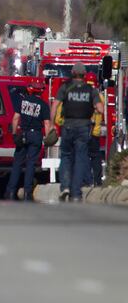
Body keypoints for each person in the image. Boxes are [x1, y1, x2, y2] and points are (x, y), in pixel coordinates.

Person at [51, 62, 103, 202]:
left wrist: (51, 124)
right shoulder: (91, 90)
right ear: (84, 75)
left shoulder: (65, 87)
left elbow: (55, 105)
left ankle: (65, 187)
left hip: (68, 126)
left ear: (72, 73)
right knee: (81, 159)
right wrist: (94, 109)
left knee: (66, 157)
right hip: (84, 127)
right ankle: (76, 192)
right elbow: (101, 109)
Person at [5, 81, 50, 201]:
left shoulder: (22, 101)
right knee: (31, 164)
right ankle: (27, 192)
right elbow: (46, 123)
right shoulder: (43, 105)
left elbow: (15, 118)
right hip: (36, 134)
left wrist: (14, 134)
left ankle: (10, 191)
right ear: (41, 91)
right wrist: (47, 139)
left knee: (17, 163)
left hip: (23, 133)